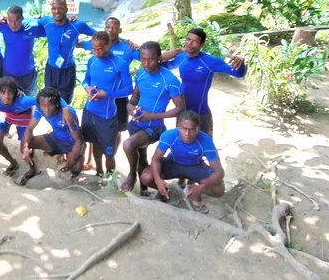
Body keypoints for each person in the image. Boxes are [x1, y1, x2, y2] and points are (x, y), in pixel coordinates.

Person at [120, 41, 184, 193]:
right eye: (143, 59)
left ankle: (131, 175)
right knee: (141, 155)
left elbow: (180, 108)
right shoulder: (140, 74)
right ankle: (144, 190)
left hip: (154, 127)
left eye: (151, 59)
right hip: (136, 123)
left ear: (160, 58)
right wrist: (130, 108)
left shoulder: (170, 80)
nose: (146, 63)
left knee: (128, 145)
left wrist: (152, 116)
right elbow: (135, 97)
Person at [163, 28, 245, 137]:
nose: (189, 43)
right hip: (183, 111)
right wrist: (177, 51)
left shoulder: (210, 61)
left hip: (201, 112)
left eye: (195, 41)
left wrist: (241, 60)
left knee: (202, 145)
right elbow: (158, 64)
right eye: (188, 39)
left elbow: (238, 73)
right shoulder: (181, 57)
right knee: (181, 144)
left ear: (202, 45)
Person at [140, 110, 225, 213]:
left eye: (192, 129)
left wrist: (202, 187)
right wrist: (158, 181)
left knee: (219, 189)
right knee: (146, 177)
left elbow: (219, 172)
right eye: (184, 128)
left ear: (198, 129)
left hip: (195, 166)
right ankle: (165, 191)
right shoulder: (169, 135)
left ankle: (194, 193)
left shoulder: (206, 140)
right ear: (178, 126)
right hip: (173, 164)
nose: (187, 133)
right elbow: (156, 159)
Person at [81, 31, 133, 177]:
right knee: (94, 143)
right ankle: (99, 172)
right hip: (89, 110)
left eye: (100, 49)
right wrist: (87, 88)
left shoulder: (120, 64)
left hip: (106, 114)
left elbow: (129, 89)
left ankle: (110, 179)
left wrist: (107, 94)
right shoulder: (92, 61)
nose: (97, 52)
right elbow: (85, 80)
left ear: (109, 45)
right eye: (94, 49)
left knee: (109, 153)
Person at [19, 87, 84, 185]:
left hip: (71, 142)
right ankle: (33, 170)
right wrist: (25, 148)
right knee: (25, 143)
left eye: (50, 105)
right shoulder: (40, 108)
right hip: (56, 138)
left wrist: (68, 166)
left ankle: (74, 160)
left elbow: (79, 140)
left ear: (57, 104)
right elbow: (29, 128)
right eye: (43, 106)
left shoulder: (68, 113)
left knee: (75, 169)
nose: (46, 109)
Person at [38, 0, 96, 104]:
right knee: (49, 102)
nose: (57, 11)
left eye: (60, 8)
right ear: (51, 10)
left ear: (66, 9)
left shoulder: (77, 25)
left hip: (67, 71)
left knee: (65, 104)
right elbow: (25, 23)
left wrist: (84, 45)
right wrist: (5, 20)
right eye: (54, 8)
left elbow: (100, 35)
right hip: (51, 70)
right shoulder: (46, 22)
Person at [0, 5, 45, 97]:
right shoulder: (3, 25)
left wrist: (69, 19)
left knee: (29, 101)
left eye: (16, 21)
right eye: (10, 21)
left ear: (22, 19)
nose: (13, 25)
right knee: (8, 100)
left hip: (28, 75)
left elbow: (52, 26)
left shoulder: (32, 27)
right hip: (8, 73)